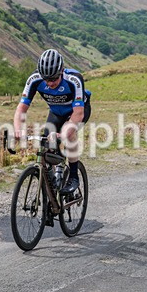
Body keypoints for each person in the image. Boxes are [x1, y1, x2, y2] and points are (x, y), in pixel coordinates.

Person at [14, 49, 91, 194]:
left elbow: (78, 114)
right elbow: (21, 109)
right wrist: (18, 129)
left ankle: (74, 176)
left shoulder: (74, 79)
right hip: (56, 112)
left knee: (69, 135)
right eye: (46, 79)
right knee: (48, 146)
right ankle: (53, 185)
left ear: (61, 71)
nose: (50, 83)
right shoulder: (34, 79)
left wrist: (62, 134)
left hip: (78, 111)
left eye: (54, 79)